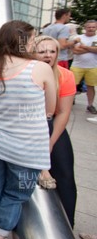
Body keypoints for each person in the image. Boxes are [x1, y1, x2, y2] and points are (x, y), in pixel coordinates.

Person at [0, 20, 56, 239]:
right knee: (14, 194)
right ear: (22, 40)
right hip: (26, 149)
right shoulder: (38, 69)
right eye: (32, 39)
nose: (35, 43)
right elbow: (50, 109)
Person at [34, 35, 77, 227]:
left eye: (52, 51)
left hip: (52, 126)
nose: (47, 55)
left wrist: (49, 143)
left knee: (65, 173)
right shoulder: (29, 73)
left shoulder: (65, 75)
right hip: (29, 126)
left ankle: (67, 223)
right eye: (42, 51)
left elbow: (63, 112)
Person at [71, 20, 97, 114]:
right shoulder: (78, 38)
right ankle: (69, 102)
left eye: (93, 27)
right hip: (77, 66)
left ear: (96, 28)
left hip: (93, 66)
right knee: (72, 85)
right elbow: (75, 51)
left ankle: (90, 105)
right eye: (89, 27)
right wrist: (91, 49)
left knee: (91, 86)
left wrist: (84, 47)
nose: (91, 29)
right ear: (85, 28)